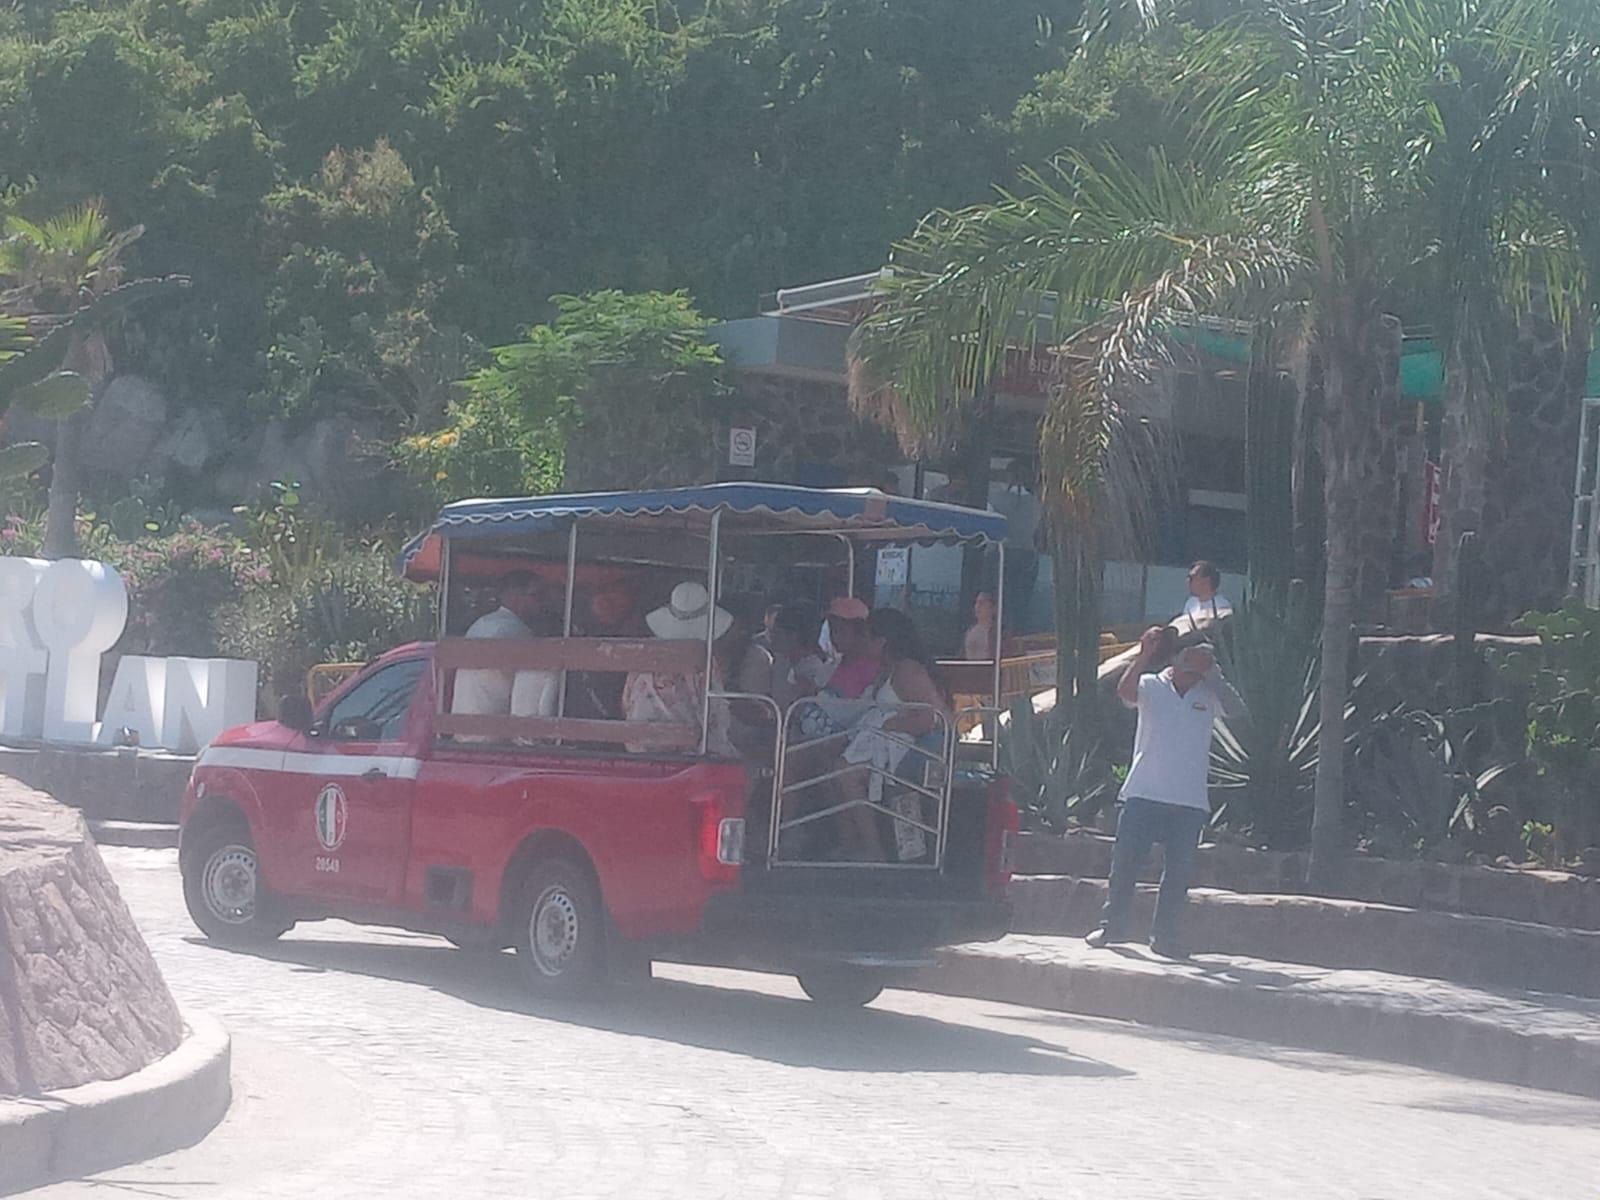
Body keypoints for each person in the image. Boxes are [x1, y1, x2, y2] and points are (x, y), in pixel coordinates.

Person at [1088, 630, 1245, 958]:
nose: (1201, 657)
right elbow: (1125, 692)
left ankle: (1165, 938)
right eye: (1196, 653)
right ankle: (1112, 927)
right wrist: (1144, 654)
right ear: (1179, 656)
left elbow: (1236, 710)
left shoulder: (1208, 692)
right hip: (1144, 792)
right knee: (1126, 866)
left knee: (1178, 875)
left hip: (1189, 801)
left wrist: (1212, 672)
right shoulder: (1151, 685)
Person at [834, 608, 952, 861]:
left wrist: (888, 725)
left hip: (912, 747)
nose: (861, 643)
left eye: (866, 636)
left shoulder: (908, 671)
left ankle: (872, 848)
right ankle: (854, 844)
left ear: (882, 641)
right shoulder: (887, 669)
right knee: (838, 769)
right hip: (890, 744)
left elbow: (931, 718)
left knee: (845, 773)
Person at [622, 580, 735, 755]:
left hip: (640, 748)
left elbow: (626, 703)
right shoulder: (704, 660)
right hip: (692, 751)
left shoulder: (643, 655)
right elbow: (716, 717)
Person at [451, 571, 559, 733]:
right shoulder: (516, 631)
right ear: (516, 597)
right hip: (494, 732)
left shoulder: (481, 623)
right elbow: (532, 693)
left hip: (462, 729)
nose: (541, 603)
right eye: (538, 596)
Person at [990, 460, 1042, 611]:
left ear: (1008, 476)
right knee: (1021, 603)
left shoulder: (996, 499)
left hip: (1002, 556)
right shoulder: (1036, 504)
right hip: (1028, 558)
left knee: (999, 600)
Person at [1181, 560, 1234, 631]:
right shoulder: (1190, 602)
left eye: (1191, 578)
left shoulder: (1222, 605)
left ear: (1206, 581)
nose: (1187, 581)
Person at [962, 591, 998, 660]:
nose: (977, 606)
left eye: (981, 603)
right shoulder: (969, 631)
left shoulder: (998, 632)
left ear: (992, 608)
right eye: (976, 603)